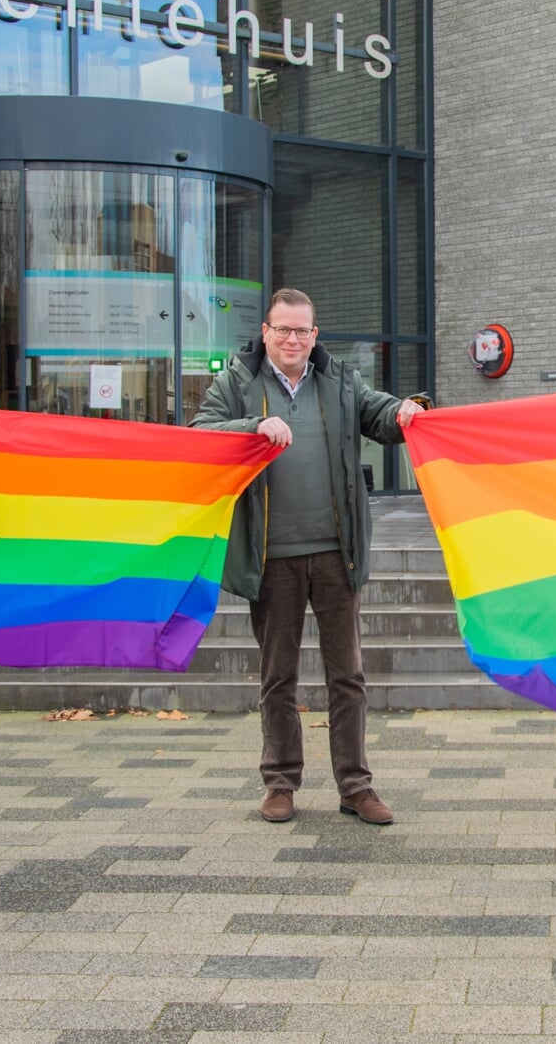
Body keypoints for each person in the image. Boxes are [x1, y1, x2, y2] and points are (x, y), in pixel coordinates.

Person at [193, 288, 422, 825]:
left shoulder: (340, 381)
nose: (293, 339)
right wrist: (252, 427)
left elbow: (380, 415)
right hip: (271, 557)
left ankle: (356, 786)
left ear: (314, 335)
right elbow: (201, 435)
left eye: (303, 331)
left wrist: (408, 410)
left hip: (335, 556)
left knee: (349, 677)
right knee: (279, 676)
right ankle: (279, 783)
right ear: (265, 332)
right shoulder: (235, 384)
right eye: (283, 329)